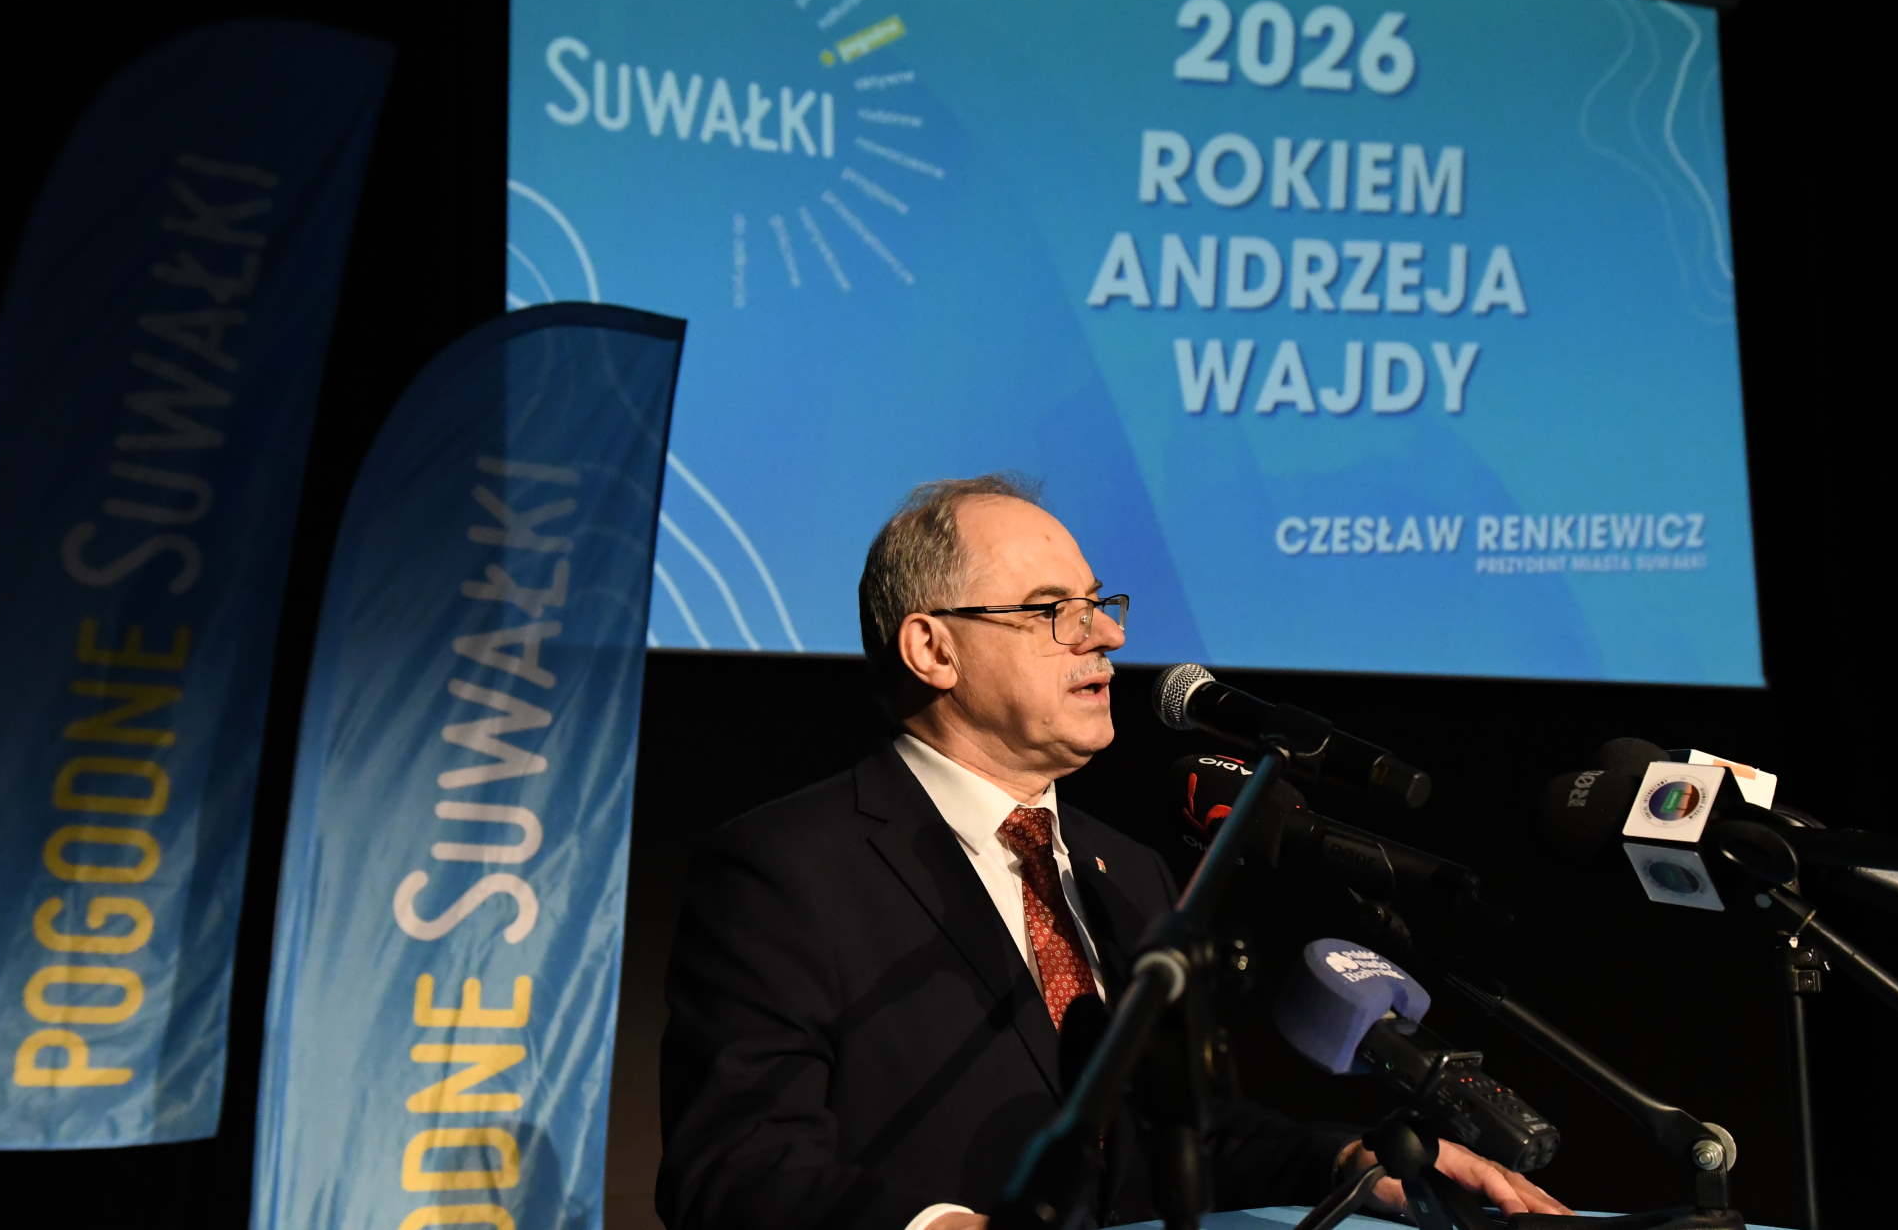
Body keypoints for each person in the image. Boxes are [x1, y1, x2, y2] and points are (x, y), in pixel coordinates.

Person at [656, 475, 1570, 1229]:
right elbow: (734, 1167)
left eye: (1097, 602)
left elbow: (1183, 1143)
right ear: (933, 648)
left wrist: (1357, 1163)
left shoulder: (1126, 870)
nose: (1107, 635)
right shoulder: (787, 868)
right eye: (1052, 610)